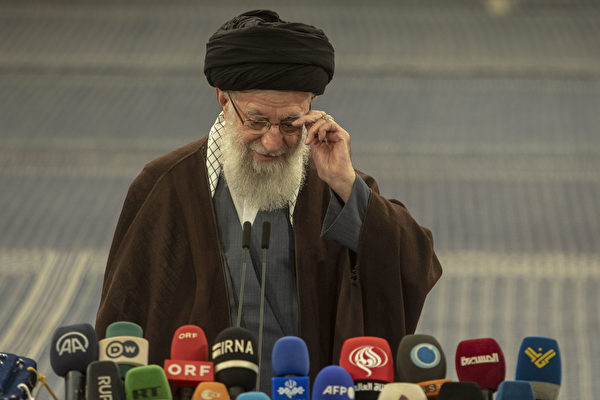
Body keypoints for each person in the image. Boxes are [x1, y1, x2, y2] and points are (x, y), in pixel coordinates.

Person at [95, 9, 442, 392]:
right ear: (223, 100)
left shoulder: (332, 185)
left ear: (311, 108)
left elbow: (415, 263)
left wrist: (345, 183)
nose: (273, 141)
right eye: (257, 121)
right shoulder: (164, 186)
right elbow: (122, 316)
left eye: (291, 123)